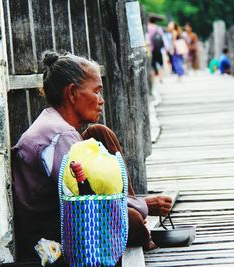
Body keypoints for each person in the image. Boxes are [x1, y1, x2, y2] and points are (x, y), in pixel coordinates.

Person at [11, 51, 173, 261]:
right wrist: (144, 206)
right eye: (96, 92)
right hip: (54, 238)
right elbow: (87, 199)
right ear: (72, 93)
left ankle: (134, 209)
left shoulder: (54, 123)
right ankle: (140, 221)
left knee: (99, 133)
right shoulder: (61, 136)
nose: (101, 101)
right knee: (130, 219)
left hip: (65, 213)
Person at [147, 16, 166, 83]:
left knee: (152, 65)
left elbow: (147, 39)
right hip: (159, 49)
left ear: (149, 21)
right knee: (160, 64)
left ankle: (153, 79)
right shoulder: (159, 28)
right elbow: (163, 39)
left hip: (151, 49)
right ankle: (161, 77)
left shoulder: (148, 28)